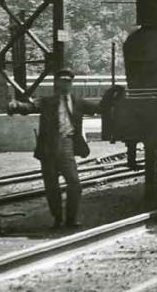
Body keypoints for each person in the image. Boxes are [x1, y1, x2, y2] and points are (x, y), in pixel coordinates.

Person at [8, 68, 101, 229]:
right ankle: (57, 219)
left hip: (67, 145)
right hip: (48, 147)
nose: (65, 84)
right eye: (62, 81)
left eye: (68, 81)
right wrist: (16, 105)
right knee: (51, 186)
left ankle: (70, 219)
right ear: (56, 83)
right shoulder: (46, 101)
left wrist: (114, 96)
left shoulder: (78, 102)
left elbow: (99, 108)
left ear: (71, 83)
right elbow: (29, 107)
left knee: (74, 183)